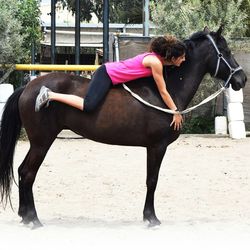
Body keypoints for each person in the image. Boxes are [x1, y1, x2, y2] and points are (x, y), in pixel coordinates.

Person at [35, 35, 186, 131]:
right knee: (88, 105)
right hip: (106, 74)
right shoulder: (155, 63)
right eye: (182, 57)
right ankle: (50, 94)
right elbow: (163, 91)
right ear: (172, 58)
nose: (184, 60)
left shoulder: (155, 59)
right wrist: (175, 111)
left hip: (112, 75)